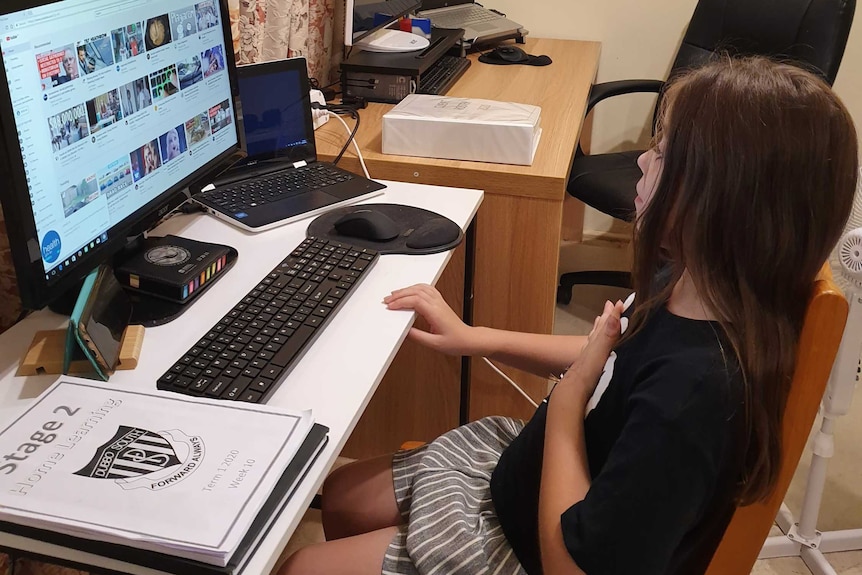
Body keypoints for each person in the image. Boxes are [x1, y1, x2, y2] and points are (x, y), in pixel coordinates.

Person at [278, 55, 859, 575]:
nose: (640, 163)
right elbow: (610, 359)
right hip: (528, 480)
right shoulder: (693, 280)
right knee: (345, 491)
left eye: (662, 153)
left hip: (540, 543)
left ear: (720, 202)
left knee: (301, 563)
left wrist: (564, 404)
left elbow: (571, 564)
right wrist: (473, 337)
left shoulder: (696, 395)